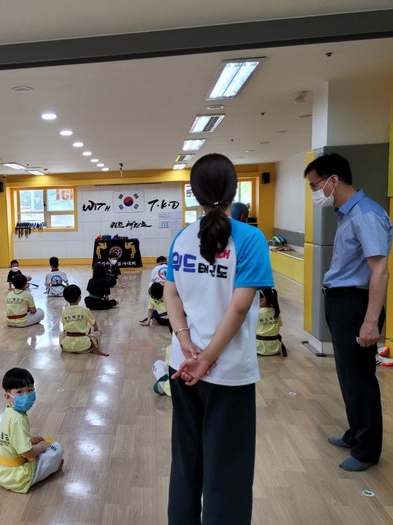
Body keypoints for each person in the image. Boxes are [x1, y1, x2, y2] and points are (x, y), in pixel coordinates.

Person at [164, 153, 273, 525]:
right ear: (234, 191)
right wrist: (207, 357)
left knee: (186, 461)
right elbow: (239, 308)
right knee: (228, 470)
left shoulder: (182, 237)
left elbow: (170, 294)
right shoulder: (250, 238)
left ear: (194, 194)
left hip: (182, 367)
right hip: (226, 373)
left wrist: (185, 342)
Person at [304, 152, 392, 472]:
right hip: (341, 303)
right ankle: (356, 433)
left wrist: (370, 321)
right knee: (348, 375)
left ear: (333, 180)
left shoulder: (366, 214)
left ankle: (367, 450)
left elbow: (379, 271)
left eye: (315, 185)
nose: (314, 193)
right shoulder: (347, 214)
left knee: (360, 378)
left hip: (356, 305)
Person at [0, 367, 64, 493]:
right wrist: (42, 446)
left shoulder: (9, 411)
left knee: (42, 449)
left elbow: (12, 439)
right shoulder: (18, 419)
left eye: (30, 390)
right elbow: (26, 453)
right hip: (16, 477)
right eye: (19, 392)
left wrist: (31, 440)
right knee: (57, 448)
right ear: (8, 396)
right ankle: (51, 469)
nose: (26, 395)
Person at [59, 284, 108, 356]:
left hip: (67, 346)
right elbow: (94, 324)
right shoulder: (84, 310)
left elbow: (65, 329)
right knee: (98, 333)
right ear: (79, 298)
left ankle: (69, 347)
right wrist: (96, 331)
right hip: (84, 345)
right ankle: (87, 347)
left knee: (61, 334)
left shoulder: (64, 311)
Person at [256, 287, 287, 356]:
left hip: (258, 348)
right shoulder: (276, 312)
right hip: (275, 348)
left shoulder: (257, 312)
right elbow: (279, 326)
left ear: (263, 300)